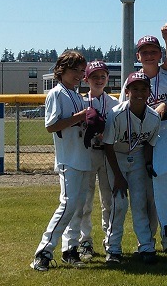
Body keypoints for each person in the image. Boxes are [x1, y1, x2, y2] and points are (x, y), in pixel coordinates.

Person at [119, 35, 167, 254]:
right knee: (141, 199)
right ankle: (146, 244)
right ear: (138, 55)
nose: (149, 55)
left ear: (160, 54)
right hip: (139, 147)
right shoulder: (130, 81)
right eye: (144, 52)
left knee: (165, 196)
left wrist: (166, 105)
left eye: (153, 51)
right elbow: (122, 111)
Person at [30, 51, 90, 271]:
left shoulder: (76, 94)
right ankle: (43, 253)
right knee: (67, 205)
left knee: (78, 207)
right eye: (75, 70)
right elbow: (51, 125)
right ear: (62, 69)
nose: (79, 74)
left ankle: (70, 250)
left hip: (82, 157)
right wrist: (81, 116)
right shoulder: (57, 93)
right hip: (68, 158)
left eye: (82, 71)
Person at [103, 71, 161, 264]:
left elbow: (149, 144)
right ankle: (113, 248)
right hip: (116, 157)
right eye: (135, 88)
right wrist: (118, 176)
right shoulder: (116, 113)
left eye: (144, 89)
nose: (139, 92)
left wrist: (147, 164)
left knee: (140, 203)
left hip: (136, 158)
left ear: (149, 92)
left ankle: (146, 246)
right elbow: (108, 145)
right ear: (126, 91)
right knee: (119, 204)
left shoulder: (154, 116)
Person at [66, 60, 119, 261]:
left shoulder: (114, 103)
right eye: (94, 76)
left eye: (102, 76)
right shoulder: (80, 102)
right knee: (85, 201)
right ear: (86, 79)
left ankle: (110, 242)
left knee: (109, 201)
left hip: (107, 155)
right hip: (86, 154)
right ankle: (85, 241)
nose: (99, 79)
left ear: (107, 78)